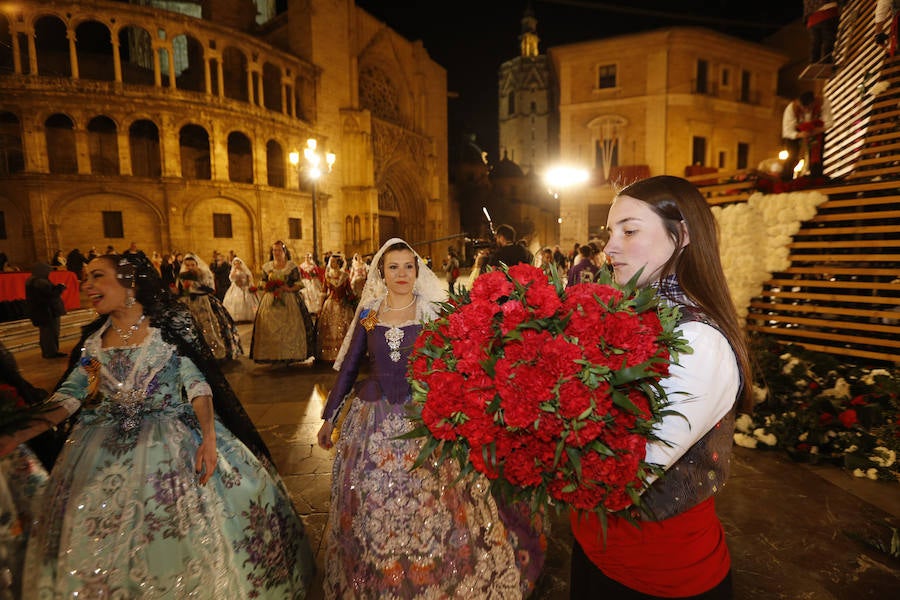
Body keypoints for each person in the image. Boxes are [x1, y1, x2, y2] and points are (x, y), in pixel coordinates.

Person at [0, 251, 315, 598]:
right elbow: (72, 396)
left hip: (171, 443)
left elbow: (198, 386)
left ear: (129, 283)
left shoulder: (166, 332)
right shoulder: (94, 341)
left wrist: (209, 437)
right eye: (86, 278)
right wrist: (17, 433)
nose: (86, 285)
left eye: (97, 276)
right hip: (100, 452)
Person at [316, 238, 546, 599]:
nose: (402, 274)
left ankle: (435, 572)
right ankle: (379, 572)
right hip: (373, 418)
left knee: (435, 500)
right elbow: (349, 367)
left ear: (418, 270)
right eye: (393, 267)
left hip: (425, 417)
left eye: (409, 266)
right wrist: (330, 416)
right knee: (374, 499)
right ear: (381, 273)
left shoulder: (430, 311)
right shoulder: (371, 314)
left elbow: (456, 358)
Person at [569, 175, 753, 599]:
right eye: (609, 233)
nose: (610, 247)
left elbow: (626, 474)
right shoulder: (633, 311)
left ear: (682, 234)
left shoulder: (698, 340)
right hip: (600, 551)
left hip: (658, 574)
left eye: (629, 231)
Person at [249, 241, 315, 365]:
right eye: (274, 250)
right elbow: (262, 282)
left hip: (289, 299)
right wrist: (268, 286)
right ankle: (272, 355)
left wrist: (288, 289)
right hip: (270, 299)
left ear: (284, 252)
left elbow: (299, 283)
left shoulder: (292, 266)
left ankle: (290, 355)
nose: (276, 253)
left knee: (290, 328)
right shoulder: (267, 267)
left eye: (279, 250)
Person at [177, 253, 242, 361]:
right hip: (188, 303)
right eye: (187, 265)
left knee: (208, 327)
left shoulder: (204, 274)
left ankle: (215, 352)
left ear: (196, 264)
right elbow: (181, 291)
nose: (190, 267)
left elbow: (211, 289)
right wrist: (184, 290)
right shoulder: (182, 276)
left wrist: (196, 285)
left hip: (203, 302)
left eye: (192, 265)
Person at [781, 90, 833, 180]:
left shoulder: (822, 103)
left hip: (816, 129)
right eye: (803, 108)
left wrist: (815, 131)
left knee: (816, 154)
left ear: (814, 102)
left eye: (809, 108)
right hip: (797, 132)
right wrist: (800, 135)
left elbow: (828, 123)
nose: (806, 110)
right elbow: (787, 131)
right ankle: (787, 178)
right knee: (792, 155)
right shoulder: (791, 108)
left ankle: (816, 177)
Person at [315, 253, 355, 362]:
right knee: (330, 328)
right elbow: (323, 292)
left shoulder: (345, 276)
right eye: (330, 261)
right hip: (331, 304)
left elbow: (349, 291)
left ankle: (344, 353)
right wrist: (319, 306)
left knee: (343, 327)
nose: (331, 263)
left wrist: (353, 299)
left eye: (333, 261)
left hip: (343, 304)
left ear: (339, 263)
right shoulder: (327, 276)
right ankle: (330, 354)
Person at [24, 263, 67, 359]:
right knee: (51, 332)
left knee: (45, 333)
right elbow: (51, 295)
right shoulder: (40, 282)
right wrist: (61, 287)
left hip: (40, 311)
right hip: (48, 311)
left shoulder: (31, 280)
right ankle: (51, 352)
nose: (48, 273)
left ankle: (48, 351)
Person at [221, 256, 259, 323]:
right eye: (235, 264)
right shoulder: (233, 271)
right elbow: (231, 278)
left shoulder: (245, 270)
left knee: (247, 301)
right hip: (236, 288)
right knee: (236, 302)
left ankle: (248, 318)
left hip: (245, 287)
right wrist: (235, 273)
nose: (236, 265)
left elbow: (249, 277)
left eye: (237, 263)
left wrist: (249, 284)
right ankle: (236, 318)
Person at [804, 1, 840, 65]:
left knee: (816, 43)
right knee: (829, 40)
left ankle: (814, 63)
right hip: (828, 12)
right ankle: (826, 61)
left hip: (812, 18)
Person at [297, 252, 325, 317]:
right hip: (305, 282)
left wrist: (313, 275)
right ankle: (307, 309)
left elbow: (317, 273)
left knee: (314, 293)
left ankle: (314, 309)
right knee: (306, 294)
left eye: (309, 258)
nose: (307, 259)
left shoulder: (313, 266)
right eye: (306, 258)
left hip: (313, 281)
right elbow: (300, 275)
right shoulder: (302, 266)